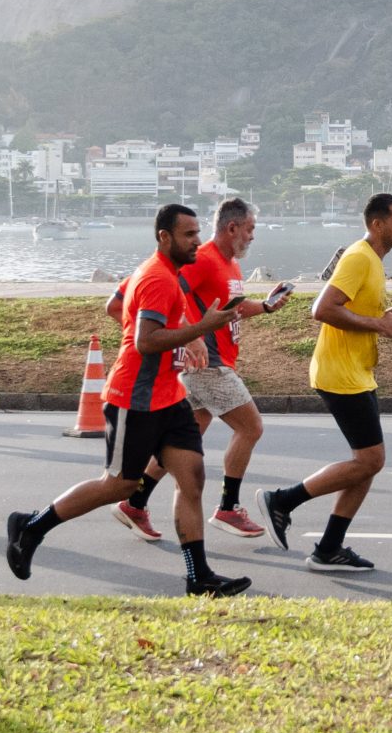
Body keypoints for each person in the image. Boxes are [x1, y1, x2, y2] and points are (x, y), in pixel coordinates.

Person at [4, 203, 249, 597]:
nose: (197, 241)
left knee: (192, 477)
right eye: (189, 235)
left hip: (170, 397)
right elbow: (146, 341)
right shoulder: (157, 278)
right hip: (134, 399)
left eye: (198, 233)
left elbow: (118, 304)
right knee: (118, 485)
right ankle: (31, 527)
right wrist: (201, 329)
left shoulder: (171, 272)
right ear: (164, 237)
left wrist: (192, 334)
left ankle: (198, 576)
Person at [111, 198, 292, 541]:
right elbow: (166, 298)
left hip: (209, 364)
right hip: (208, 364)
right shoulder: (203, 260)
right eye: (250, 229)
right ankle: (228, 507)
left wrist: (266, 307)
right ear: (232, 227)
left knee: (182, 443)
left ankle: (135, 502)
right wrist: (190, 339)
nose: (253, 236)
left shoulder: (231, 265)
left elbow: (231, 309)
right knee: (251, 428)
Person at [263, 192, 392, 572]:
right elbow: (323, 309)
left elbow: (359, 312)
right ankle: (283, 501)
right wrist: (378, 323)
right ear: (377, 224)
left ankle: (329, 547)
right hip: (339, 373)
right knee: (370, 460)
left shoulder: (374, 261)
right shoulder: (359, 257)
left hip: (356, 370)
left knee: (368, 463)